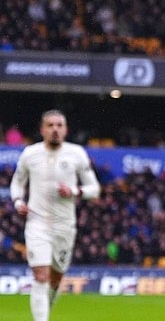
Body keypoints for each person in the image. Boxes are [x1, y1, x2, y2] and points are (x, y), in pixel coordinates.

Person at [10, 110, 100, 321]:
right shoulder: (30, 154)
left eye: (59, 125)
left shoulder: (76, 153)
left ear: (65, 129)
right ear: (42, 130)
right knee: (40, 276)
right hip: (36, 222)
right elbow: (17, 182)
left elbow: (94, 189)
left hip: (64, 225)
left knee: (55, 280)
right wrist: (18, 202)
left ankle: (45, 311)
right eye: (50, 125)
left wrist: (75, 191)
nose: (55, 129)